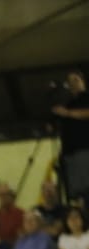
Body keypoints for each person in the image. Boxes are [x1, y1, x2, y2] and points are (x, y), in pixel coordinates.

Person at [53, 70, 89, 206]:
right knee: (76, 194)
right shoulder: (68, 102)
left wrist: (67, 113)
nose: (72, 84)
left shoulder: (86, 97)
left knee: (87, 190)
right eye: (70, 81)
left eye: (76, 80)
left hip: (85, 151)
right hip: (69, 153)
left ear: (83, 82)